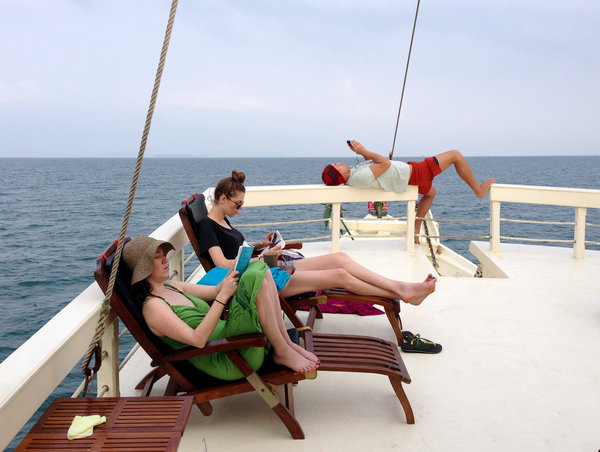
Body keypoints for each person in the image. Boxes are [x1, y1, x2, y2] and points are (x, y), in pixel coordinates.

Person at [197, 171, 437, 306]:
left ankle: (401, 287)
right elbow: (223, 265)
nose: (240, 208)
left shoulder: (223, 220)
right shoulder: (208, 226)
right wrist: (258, 260)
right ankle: (401, 293)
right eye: (237, 204)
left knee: (340, 257)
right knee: (340, 276)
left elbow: (236, 250)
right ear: (222, 199)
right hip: (258, 281)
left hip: (266, 266)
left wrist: (262, 246)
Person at [123, 235, 319, 380]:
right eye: (157, 258)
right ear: (144, 268)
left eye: (163, 255)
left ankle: (285, 343)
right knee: (254, 275)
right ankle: (282, 351)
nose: (166, 260)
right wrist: (224, 296)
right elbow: (197, 340)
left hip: (233, 339)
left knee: (259, 269)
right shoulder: (154, 307)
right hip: (227, 355)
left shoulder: (173, 287)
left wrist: (235, 270)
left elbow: (216, 291)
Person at [322, 140, 496, 243]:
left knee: (431, 193)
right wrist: (364, 151)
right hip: (417, 173)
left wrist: (362, 152)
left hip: (410, 176)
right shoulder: (357, 178)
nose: (339, 163)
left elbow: (377, 166)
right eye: (336, 166)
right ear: (340, 174)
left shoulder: (354, 174)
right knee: (455, 155)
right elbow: (385, 164)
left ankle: (415, 229)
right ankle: (478, 190)